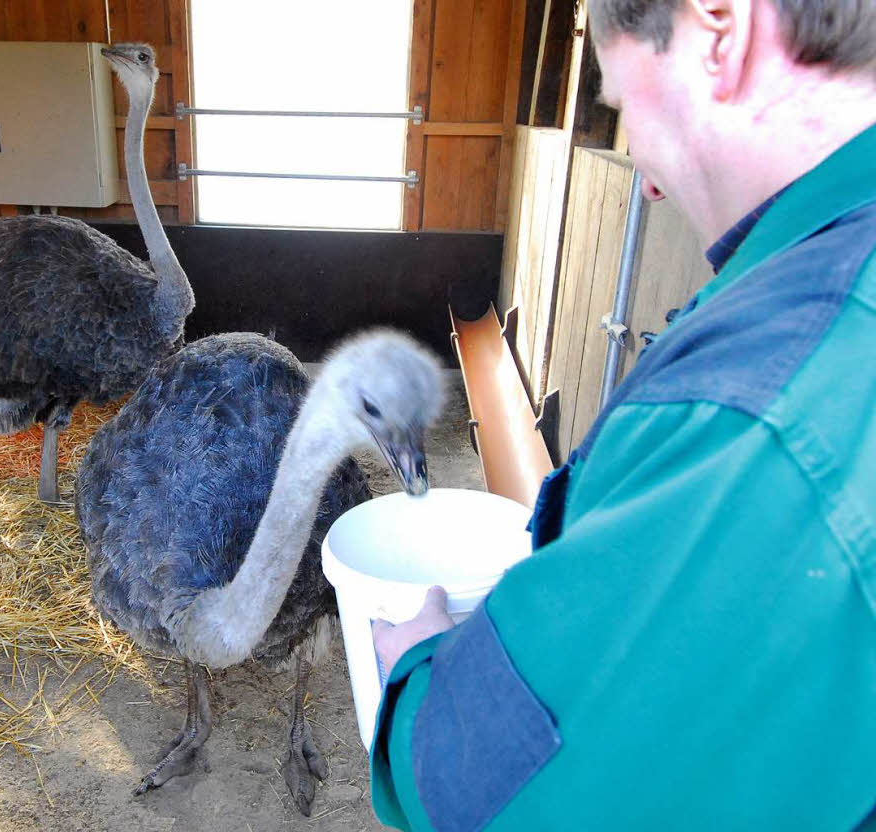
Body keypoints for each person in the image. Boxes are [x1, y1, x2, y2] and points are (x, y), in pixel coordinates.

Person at [369, 0, 876, 827]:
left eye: (625, 106)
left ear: (721, 31)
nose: (640, 173)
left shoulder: (764, 410)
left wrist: (416, 668)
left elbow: (499, 792)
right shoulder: (817, 274)